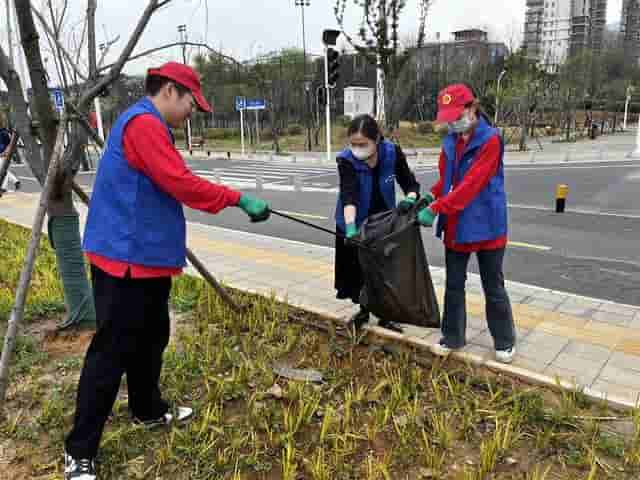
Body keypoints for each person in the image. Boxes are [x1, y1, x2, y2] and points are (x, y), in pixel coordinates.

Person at [63, 62, 271, 480]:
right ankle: (79, 450)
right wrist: (237, 199)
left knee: (153, 337)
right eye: (193, 102)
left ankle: (147, 409)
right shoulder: (143, 125)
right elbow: (179, 182)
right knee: (110, 354)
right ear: (172, 91)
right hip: (124, 259)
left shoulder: (150, 124)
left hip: (148, 260)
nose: (194, 110)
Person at [417, 83, 516, 364]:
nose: (452, 123)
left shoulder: (491, 141)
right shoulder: (451, 141)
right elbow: (448, 181)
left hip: (488, 225)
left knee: (493, 285)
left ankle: (505, 340)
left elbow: (471, 186)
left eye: (456, 116)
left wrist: (437, 207)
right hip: (457, 225)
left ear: (472, 108)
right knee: (454, 285)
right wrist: (430, 196)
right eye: (447, 118)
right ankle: (452, 336)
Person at [335, 114, 421, 333]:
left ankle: (385, 315)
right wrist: (352, 228)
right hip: (353, 220)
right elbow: (349, 196)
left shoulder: (392, 153)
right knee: (357, 270)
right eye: (353, 144)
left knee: (384, 270)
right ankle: (363, 311)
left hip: (383, 222)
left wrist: (410, 199)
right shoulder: (346, 159)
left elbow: (409, 182)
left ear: (377, 139)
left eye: (362, 144)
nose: (357, 148)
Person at [0, 127, 20, 194]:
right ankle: (16, 181)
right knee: (3, 170)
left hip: (3, 155)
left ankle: (3, 188)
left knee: (3, 170)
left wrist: (5, 152)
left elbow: (9, 144)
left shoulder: (3, 133)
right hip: (2, 154)